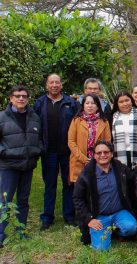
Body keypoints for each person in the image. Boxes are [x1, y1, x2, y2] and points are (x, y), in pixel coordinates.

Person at [73, 140, 137, 250]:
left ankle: (117, 231)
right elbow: (77, 198)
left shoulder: (120, 169)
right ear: (94, 155)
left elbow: (135, 178)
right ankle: (104, 230)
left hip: (119, 212)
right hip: (99, 216)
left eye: (106, 152)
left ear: (111, 154)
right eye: (99, 153)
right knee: (101, 249)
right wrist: (89, 219)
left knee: (132, 228)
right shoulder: (86, 174)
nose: (103, 155)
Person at [0, 86, 44, 247]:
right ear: (10, 98)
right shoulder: (2, 117)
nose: (21, 99)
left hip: (27, 165)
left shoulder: (34, 118)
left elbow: (39, 137)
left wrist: (38, 150)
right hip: (9, 166)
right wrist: (4, 152)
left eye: (24, 96)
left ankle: (21, 231)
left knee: (23, 200)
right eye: (17, 96)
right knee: (5, 201)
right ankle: (0, 234)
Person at [34, 73, 78, 230]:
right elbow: (35, 127)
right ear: (47, 85)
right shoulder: (39, 103)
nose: (54, 85)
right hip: (49, 152)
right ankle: (47, 217)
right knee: (50, 184)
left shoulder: (71, 103)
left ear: (61, 85)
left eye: (57, 82)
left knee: (69, 184)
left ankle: (69, 215)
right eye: (51, 82)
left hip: (67, 151)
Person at [68, 93, 111, 183]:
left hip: (99, 162)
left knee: (97, 192)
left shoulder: (104, 122)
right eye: (87, 103)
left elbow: (107, 142)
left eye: (93, 103)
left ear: (98, 106)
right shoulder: (76, 120)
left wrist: (97, 158)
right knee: (80, 193)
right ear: (83, 105)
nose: (90, 106)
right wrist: (83, 158)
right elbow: (71, 141)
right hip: (79, 161)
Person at [110, 91, 137, 170]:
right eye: (121, 102)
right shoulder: (112, 118)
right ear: (117, 104)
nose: (125, 104)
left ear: (131, 101)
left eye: (127, 100)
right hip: (119, 155)